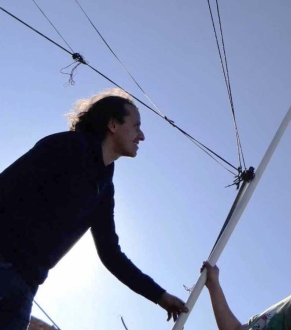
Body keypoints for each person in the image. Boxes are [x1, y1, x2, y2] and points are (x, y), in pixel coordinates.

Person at [0, 89, 188, 330]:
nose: (141, 136)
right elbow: (6, 188)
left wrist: (160, 296)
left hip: (24, 289)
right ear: (113, 125)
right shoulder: (65, 147)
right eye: (136, 125)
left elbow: (110, 253)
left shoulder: (104, 189)